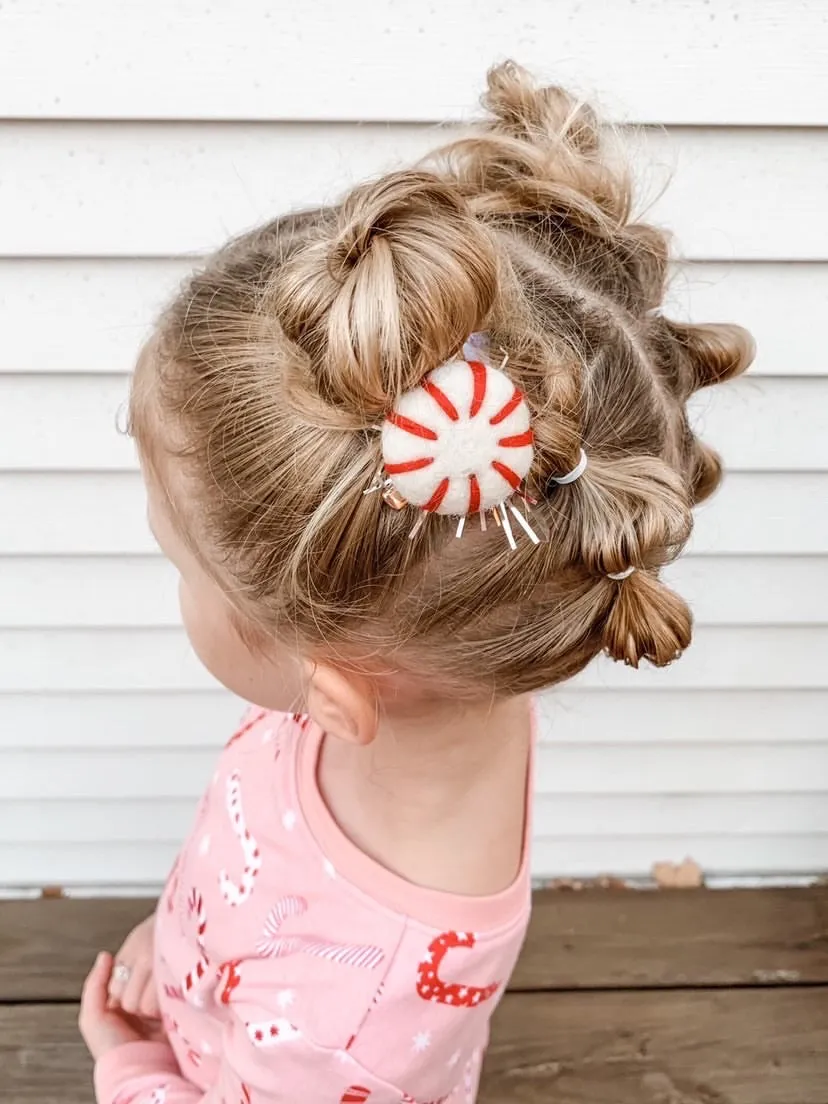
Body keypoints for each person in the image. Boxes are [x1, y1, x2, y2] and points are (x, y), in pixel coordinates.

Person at [78, 60, 753, 1104]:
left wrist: (131, 1066)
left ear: (332, 691)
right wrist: (173, 947)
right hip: (210, 986)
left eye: (182, 562)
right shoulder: (448, 665)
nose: (173, 574)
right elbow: (248, 860)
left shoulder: (351, 1032)